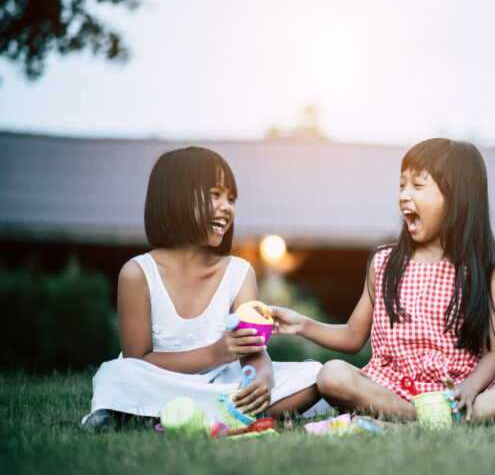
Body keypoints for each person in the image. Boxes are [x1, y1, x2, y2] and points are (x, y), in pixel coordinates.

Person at [270, 138, 495, 421]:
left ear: (458, 197)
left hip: (456, 393)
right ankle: (430, 420)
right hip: (389, 390)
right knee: (332, 374)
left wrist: (470, 387)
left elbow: (494, 354)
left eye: (417, 186)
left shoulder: (485, 270)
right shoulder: (384, 263)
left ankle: (425, 419)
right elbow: (354, 336)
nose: (404, 195)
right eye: (402, 185)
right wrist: (301, 324)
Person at [82, 146, 324, 431]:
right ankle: (228, 414)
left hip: (226, 382)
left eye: (231, 198)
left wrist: (263, 381)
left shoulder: (239, 272)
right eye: (215, 195)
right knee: (118, 374)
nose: (227, 207)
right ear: (175, 198)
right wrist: (215, 353)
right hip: (160, 382)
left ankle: (161, 415)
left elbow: (254, 352)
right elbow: (139, 362)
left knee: (316, 374)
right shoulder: (137, 273)